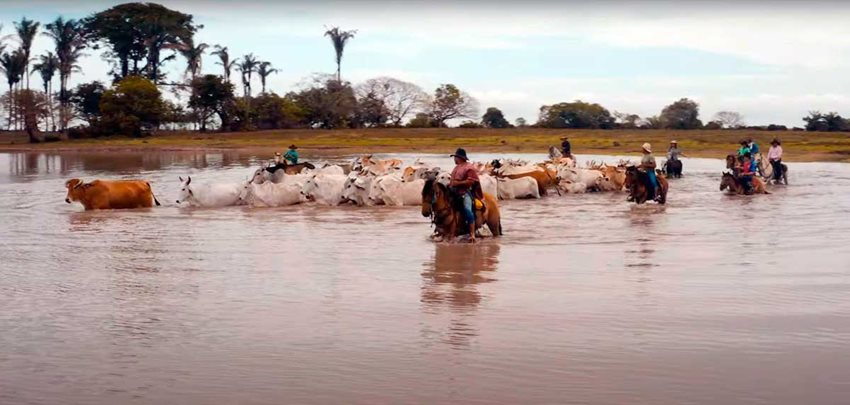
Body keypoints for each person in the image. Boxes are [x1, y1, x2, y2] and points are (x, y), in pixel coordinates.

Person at [449, 148, 480, 242]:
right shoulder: (456, 167)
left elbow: (470, 182)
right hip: (453, 192)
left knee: (467, 209)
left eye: (455, 157)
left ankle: (472, 234)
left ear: (459, 158)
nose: (454, 159)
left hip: (465, 192)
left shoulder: (469, 168)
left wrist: (457, 184)